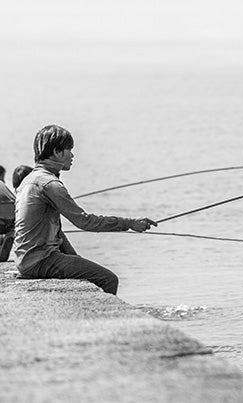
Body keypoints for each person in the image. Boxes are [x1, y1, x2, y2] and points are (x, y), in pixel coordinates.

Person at [13, 124, 156, 295]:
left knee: (84, 271)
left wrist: (75, 258)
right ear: (58, 152)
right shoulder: (50, 184)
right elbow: (85, 222)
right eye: (69, 149)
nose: (72, 155)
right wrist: (129, 223)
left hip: (25, 260)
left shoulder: (28, 180)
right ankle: (104, 318)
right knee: (108, 279)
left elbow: (56, 231)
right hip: (41, 261)